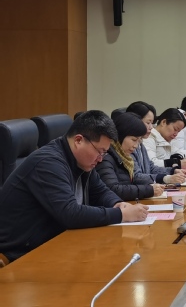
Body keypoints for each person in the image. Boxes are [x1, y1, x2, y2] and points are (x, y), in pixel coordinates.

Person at [0, 111, 148, 265]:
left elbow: (100, 191)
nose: (100, 159)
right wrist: (121, 214)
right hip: (21, 254)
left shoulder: (82, 161)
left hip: (56, 243)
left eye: (104, 153)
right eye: (100, 152)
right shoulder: (48, 163)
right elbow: (70, 213)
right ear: (78, 140)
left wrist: (118, 203)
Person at [96, 112, 164, 201]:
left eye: (139, 141)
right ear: (121, 135)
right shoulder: (106, 158)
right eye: (134, 140)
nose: (136, 146)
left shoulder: (125, 157)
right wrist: (148, 190)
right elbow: (113, 189)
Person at [126, 101, 186, 185]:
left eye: (152, 123)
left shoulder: (140, 144)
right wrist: (165, 178)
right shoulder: (129, 145)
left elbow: (151, 167)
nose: (151, 127)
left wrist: (172, 171)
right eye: (148, 123)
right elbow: (136, 177)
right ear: (134, 121)